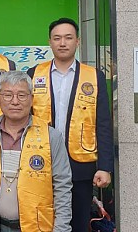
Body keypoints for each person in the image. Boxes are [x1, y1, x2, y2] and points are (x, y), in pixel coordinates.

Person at [27, 18, 114, 232]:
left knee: (78, 223)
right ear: (50, 42)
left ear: (78, 41)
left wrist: (105, 167)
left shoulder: (94, 76)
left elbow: (103, 123)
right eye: (57, 38)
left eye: (68, 37)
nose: (62, 43)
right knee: (39, 221)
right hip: (40, 160)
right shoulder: (34, 74)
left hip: (81, 165)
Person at [0, 71, 72, 232]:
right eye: (8, 95)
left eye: (22, 95)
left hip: (39, 227)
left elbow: (62, 186)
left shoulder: (50, 135)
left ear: (32, 99)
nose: (15, 101)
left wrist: (61, 228)